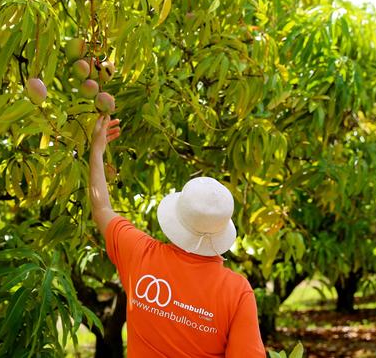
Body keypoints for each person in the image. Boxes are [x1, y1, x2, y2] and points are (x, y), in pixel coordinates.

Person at [88, 115, 265, 357]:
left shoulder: (140, 253)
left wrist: (96, 152)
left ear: (177, 220)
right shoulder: (236, 293)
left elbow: (101, 209)